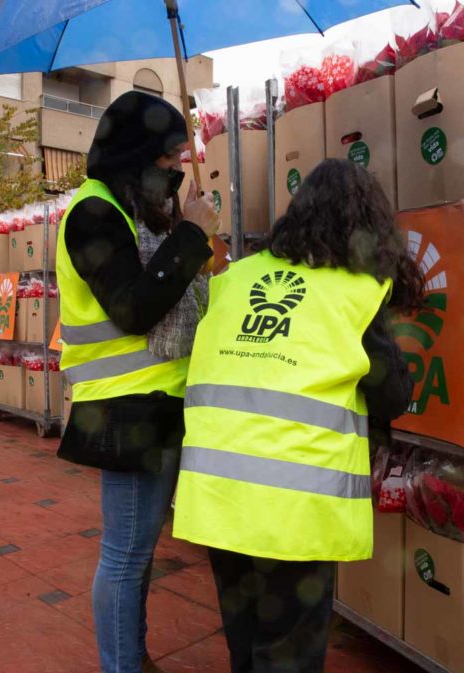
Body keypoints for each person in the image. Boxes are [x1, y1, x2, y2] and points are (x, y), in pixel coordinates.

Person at [172, 158, 419, 673]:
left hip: (219, 494)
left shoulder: (236, 278)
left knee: (246, 642)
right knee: (288, 652)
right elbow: (391, 394)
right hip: (294, 505)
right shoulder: (354, 291)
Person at [55, 91, 220, 673]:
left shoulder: (136, 211)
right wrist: (190, 236)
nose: (178, 166)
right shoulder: (93, 214)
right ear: (138, 154)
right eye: (170, 156)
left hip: (160, 404)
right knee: (125, 554)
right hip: (124, 410)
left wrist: (190, 231)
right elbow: (132, 307)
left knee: (141, 551)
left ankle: (133, 654)